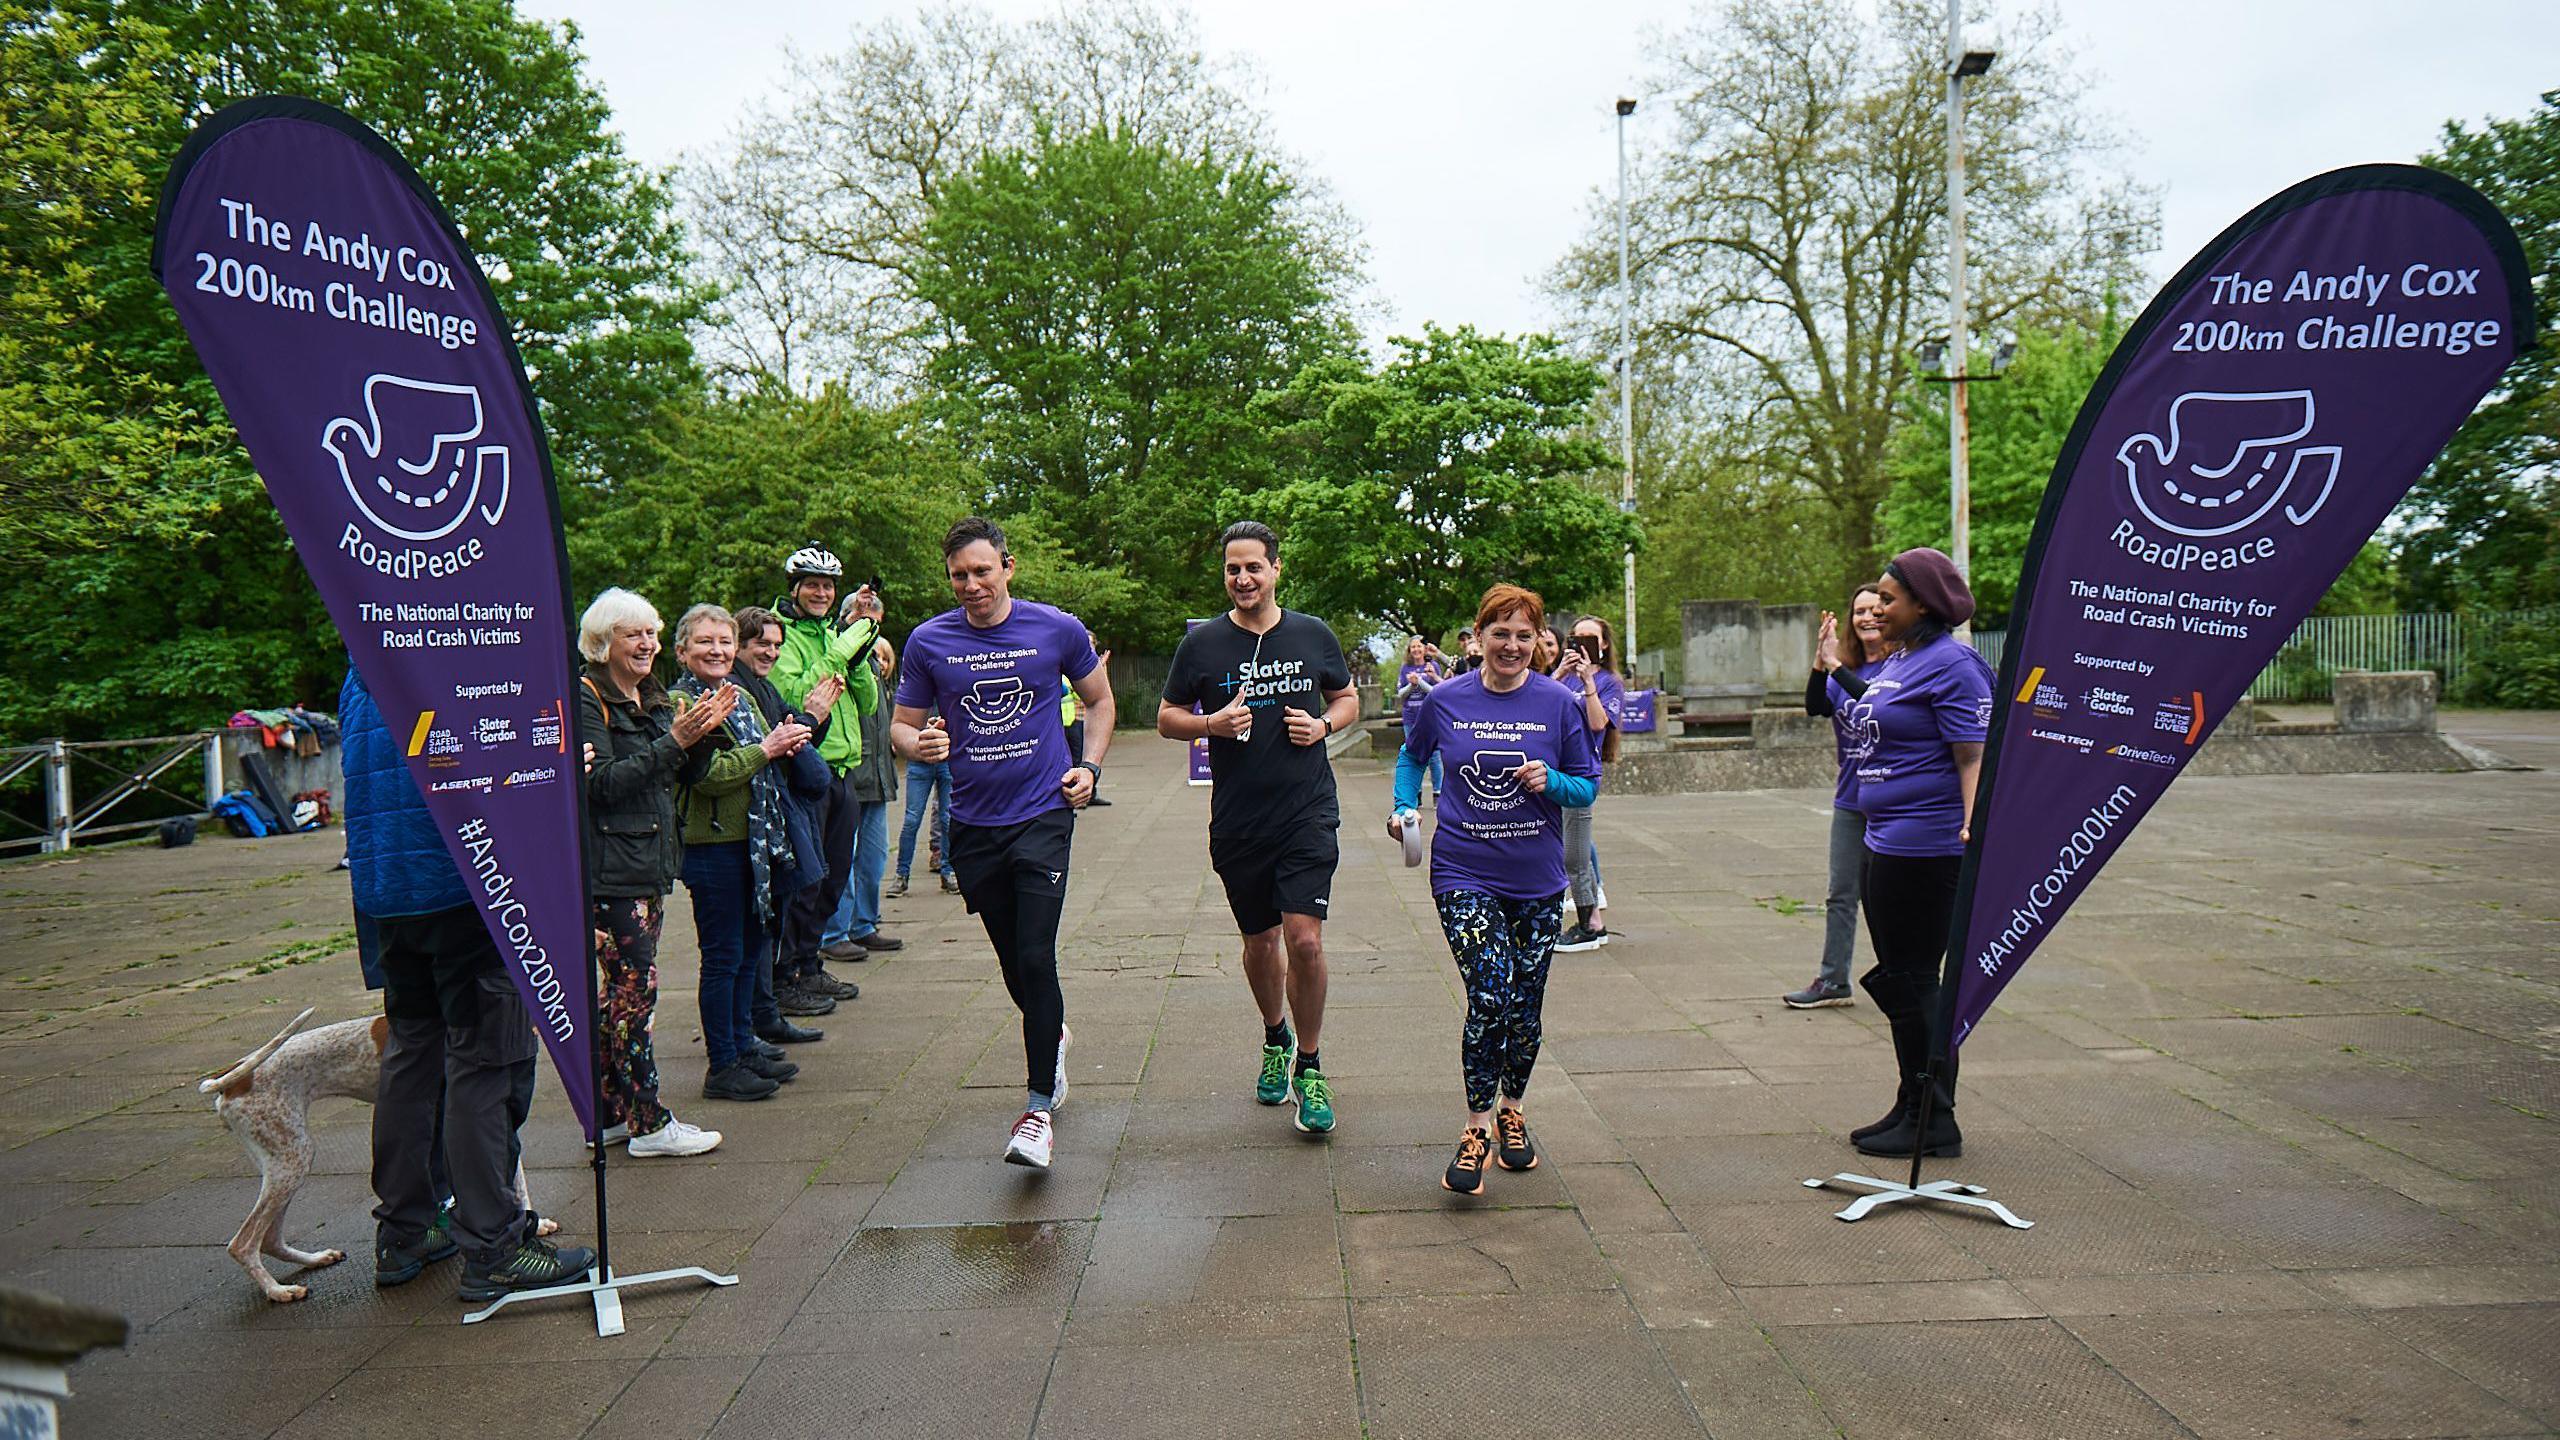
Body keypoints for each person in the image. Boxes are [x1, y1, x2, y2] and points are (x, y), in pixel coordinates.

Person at [344, 667, 595, 1299]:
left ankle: (406, 1230)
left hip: (390, 891)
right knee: (487, 1061)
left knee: (411, 1054)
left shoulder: (360, 668)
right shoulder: (459, 649)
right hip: (468, 882)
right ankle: (494, 1244)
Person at [891, 517, 1114, 1169]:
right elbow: (901, 728)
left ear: (1008, 567)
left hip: (1044, 812)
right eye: (959, 575)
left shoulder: (1056, 629)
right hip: (974, 824)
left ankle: (1038, 1109)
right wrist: (919, 744)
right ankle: (1054, 1035)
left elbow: (1099, 704)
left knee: (1036, 956)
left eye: (982, 571)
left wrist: (1091, 767)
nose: (971, 585)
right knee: (1015, 964)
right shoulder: (929, 642)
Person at [1389, 584, 1602, 1196]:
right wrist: (1406, 808)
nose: (1511, 645)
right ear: (1479, 636)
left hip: (1536, 882)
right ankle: (1477, 1124)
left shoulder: (1558, 703)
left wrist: (1551, 781)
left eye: (1523, 634)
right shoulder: (1447, 698)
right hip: (1463, 872)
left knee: (1525, 1007)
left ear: (1538, 642)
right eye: (1500, 632)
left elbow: (1587, 785)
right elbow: (1411, 757)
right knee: (1490, 991)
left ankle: (1514, 1109)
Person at [1159, 520, 1359, 1134]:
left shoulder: (1311, 634)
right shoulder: (1202, 646)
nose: (1243, 578)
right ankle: (1276, 1036)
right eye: (1232, 569)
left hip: (1307, 812)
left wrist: (1324, 727)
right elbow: (1167, 718)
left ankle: (1311, 1062)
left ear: (1276, 568)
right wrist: (1209, 725)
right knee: (1260, 944)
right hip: (1240, 822)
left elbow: (1347, 698)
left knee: (1306, 940)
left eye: (1253, 566)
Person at [1847, 549, 1991, 1160]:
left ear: (1924, 604)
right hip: (1884, 837)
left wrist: (1974, 829)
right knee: (1902, 979)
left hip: (1928, 847)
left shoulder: (1955, 664)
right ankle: (1913, 1100)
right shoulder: (1903, 659)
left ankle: (1936, 1117)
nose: (1878, 607)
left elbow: (1975, 755)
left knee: (1915, 980)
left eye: (1888, 598)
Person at [574, 587, 725, 1159]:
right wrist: (675, 742)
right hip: (612, 870)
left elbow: (684, 774)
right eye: (633, 633)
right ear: (602, 641)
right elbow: (600, 784)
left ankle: (613, 1115)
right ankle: (649, 1123)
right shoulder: (589, 696)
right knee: (633, 996)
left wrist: (702, 734)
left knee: (622, 995)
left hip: (648, 865)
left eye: (652, 633)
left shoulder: (656, 698)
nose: (647, 644)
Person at [670, 604, 816, 1102]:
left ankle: (743, 1044)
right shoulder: (680, 704)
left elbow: (765, 753)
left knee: (751, 949)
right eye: (705, 642)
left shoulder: (737, 697)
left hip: (756, 844)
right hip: (713, 847)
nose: (717, 650)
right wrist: (768, 749)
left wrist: (788, 743)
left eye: (724, 642)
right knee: (723, 957)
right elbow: (706, 776)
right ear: (682, 650)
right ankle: (723, 1064)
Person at [768, 547, 884, 1001]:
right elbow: (795, 697)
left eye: (828, 585)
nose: (821, 592)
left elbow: (868, 704)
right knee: (806, 881)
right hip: (805, 774)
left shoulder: (830, 634)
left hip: (844, 773)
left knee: (834, 880)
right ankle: (785, 976)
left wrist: (855, 654)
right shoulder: (783, 636)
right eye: (812, 584)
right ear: (794, 587)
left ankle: (810, 964)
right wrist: (840, 649)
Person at [731, 605, 840, 1041]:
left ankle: (763, 1016)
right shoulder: (738, 690)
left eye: (777, 645)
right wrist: (810, 719)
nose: (772, 653)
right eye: (762, 644)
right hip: (749, 826)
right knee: (745, 939)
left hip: (776, 815)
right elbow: (776, 743)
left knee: (769, 921)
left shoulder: (761, 686)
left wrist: (811, 720)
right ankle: (751, 1026)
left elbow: (796, 739)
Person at [1785, 586, 1892, 1010]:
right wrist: (1820, 661)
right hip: (1852, 798)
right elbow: (1815, 705)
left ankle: (1903, 975)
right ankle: (1833, 981)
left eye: (1875, 610)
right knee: (1841, 893)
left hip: (1896, 801)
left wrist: (1834, 667)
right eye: (1859, 611)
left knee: (1891, 897)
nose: (1866, 617)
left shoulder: (1903, 666)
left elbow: (1877, 703)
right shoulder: (1842, 667)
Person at [824, 637, 907, 958]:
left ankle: (864, 925)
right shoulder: (845, 677)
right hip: (852, 780)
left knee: (873, 860)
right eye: (873, 655)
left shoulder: (885, 690)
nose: (878, 663)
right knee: (843, 860)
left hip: (878, 783)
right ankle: (834, 933)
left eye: (884, 657)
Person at [1553, 616, 1626, 952]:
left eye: (1590, 638)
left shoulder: (1609, 682)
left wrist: (1587, 682)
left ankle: (1591, 925)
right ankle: (1587, 919)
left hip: (1580, 773)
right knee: (1562, 849)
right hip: (1552, 771)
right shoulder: (1563, 679)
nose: (1582, 643)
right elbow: (1537, 706)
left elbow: (1599, 723)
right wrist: (1559, 673)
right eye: (1576, 637)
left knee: (1576, 855)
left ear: (1604, 644)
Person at [891, 747, 957, 897]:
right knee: (912, 820)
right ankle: (901, 874)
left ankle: (948, 872)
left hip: (946, 760)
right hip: (919, 760)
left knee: (947, 819)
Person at [1394, 638, 1446, 798]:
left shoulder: (1433, 667)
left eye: (1419, 646)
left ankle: (1438, 791)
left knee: (1435, 756)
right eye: (1413, 647)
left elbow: (1438, 692)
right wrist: (1411, 685)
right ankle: (1416, 793)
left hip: (1431, 718)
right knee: (1413, 754)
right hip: (1411, 718)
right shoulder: (1405, 668)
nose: (1416, 650)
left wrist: (1420, 682)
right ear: (1409, 651)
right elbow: (1400, 694)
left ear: (1424, 649)